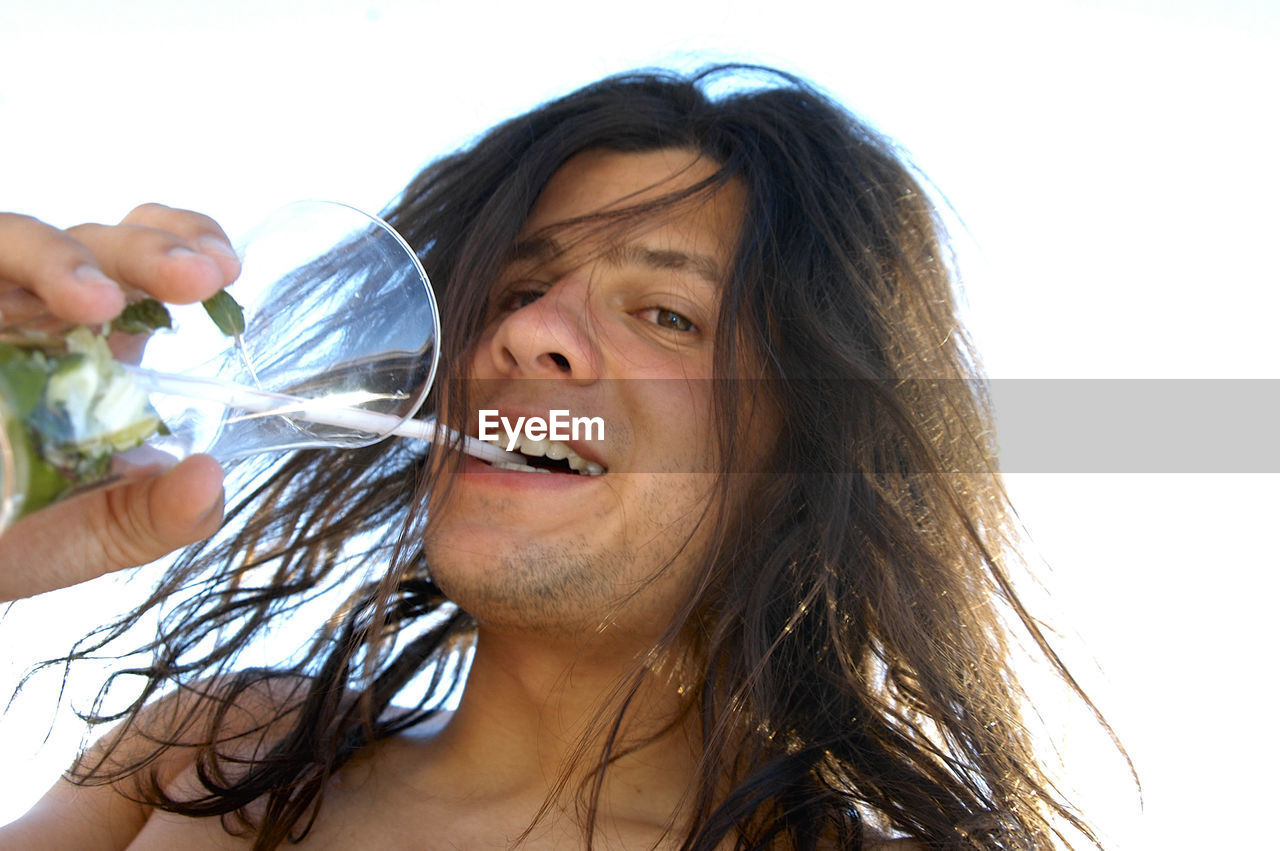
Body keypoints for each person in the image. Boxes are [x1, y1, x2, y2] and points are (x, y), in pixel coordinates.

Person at [0, 66, 1109, 848]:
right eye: (517, 288)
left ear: (810, 453)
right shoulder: (216, 750)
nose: (523, 333)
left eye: (667, 314)